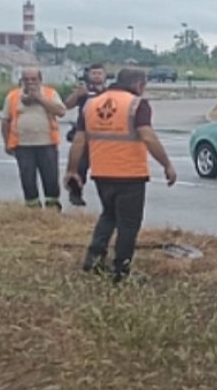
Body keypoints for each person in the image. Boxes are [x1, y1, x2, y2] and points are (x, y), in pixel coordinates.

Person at [65, 68, 177, 282]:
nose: (143, 90)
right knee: (128, 224)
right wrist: (167, 164)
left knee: (108, 215)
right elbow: (148, 137)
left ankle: (94, 260)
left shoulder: (92, 104)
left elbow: (79, 141)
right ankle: (121, 270)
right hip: (130, 174)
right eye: (143, 85)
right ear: (137, 84)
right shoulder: (136, 104)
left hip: (101, 173)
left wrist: (72, 170)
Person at [1, 67, 67, 209]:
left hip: (47, 144)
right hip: (23, 146)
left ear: (40, 80)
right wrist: (6, 143)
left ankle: (52, 208)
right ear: (22, 81)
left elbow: (61, 111)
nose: (30, 82)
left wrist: (39, 99)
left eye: (33, 79)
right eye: (26, 79)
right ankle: (32, 209)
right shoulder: (13, 96)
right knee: (28, 180)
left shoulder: (50, 94)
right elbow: (5, 121)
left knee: (50, 179)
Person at [63, 63, 108, 206]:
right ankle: (75, 194)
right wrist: (76, 94)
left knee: (104, 167)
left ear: (105, 75)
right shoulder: (84, 91)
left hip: (103, 134)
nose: (97, 76)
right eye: (94, 73)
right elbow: (66, 105)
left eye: (99, 73)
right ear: (89, 75)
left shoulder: (109, 92)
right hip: (84, 132)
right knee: (80, 165)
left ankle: (107, 197)